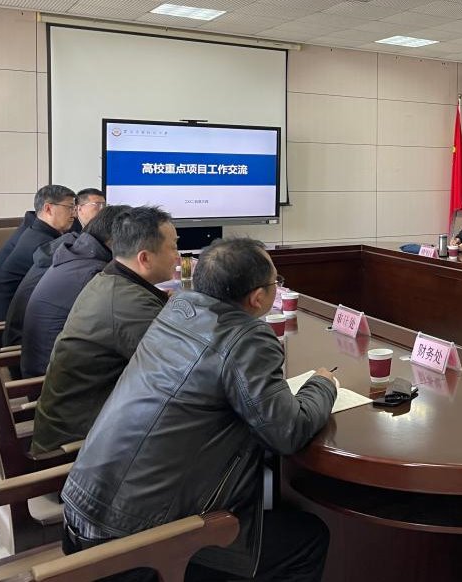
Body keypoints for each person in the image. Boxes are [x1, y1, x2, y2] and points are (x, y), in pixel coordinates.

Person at [61, 237, 337, 582]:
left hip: (82, 516)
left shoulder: (176, 311)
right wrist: (322, 384)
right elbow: (288, 432)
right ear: (258, 298)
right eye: (274, 283)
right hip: (135, 547)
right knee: (306, 540)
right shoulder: (246, 338)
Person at [31, 206, 178, 454]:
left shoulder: (111, 279)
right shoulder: (126, 303)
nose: (177, 256)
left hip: (87, 422)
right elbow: (183, 368)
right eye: (173, 247)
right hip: (81, 449)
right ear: (144, 258)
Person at [19, 205, 131, 378]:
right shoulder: (95, 274)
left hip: (43, 367)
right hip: (49, 379)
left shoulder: (77, 254)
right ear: (116, 240)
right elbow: (128, 331)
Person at [0, 185, 75, 323]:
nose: (74, 214)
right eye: (69, 207)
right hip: (10, 320)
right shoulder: (42, 244)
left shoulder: (35, 230)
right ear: (48, 208)